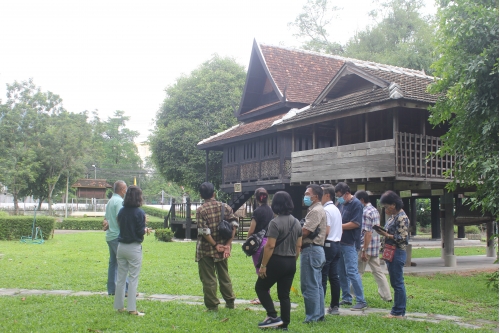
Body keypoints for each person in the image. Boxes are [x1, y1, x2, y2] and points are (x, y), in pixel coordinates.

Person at [255, 191, 302, 330]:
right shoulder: (297, 222)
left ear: (275, 204)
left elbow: (270, 246)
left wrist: (263, 266)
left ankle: (272, 315)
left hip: (276, 261)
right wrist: (293, 260)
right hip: (291, 262)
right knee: (284, 294)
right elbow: (299, 245)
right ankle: (285, 324)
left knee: (261, 287)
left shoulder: (275, 223)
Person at [195, 182, 239, 311]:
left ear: (201, 196)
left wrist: (215, 245)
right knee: (224, 275)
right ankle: (230, 302)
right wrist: (227, 244)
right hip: (223, 248)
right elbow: (234, 225)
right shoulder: (225, 207)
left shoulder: (200, 210)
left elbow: (204, 232)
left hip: (205, 249)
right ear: (214, 193)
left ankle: (212, 306)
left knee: (208, 279)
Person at [113, 185, 148, 316]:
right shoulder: (140, 213)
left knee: (121, 277)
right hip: (133, 247)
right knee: (133, 278)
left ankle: (119, 306)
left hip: (121, 246)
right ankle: (132, 308)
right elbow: (139, 231)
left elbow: (120, 226)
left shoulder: (122, 211)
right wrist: (144, 229)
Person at [374, 190, 409, 319]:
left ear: (393, 204)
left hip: (397, 252)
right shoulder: (393, 217)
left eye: (386, 206)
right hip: (390, 251)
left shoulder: (402, 217)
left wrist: (387, 235)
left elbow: (402, 238)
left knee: (398, 283)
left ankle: (398, 312)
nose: (385, 209)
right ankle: (398, 310)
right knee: (395, 282)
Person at [334, 182, 368, 311]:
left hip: (350, 243)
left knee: (352, 271)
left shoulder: (356, 204)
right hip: (340, 242)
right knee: (341, 272)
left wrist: (338, 226)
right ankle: (346, 297)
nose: (339, 199)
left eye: (340, 196)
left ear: (347, 193)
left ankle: (361, 300)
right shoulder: (341, 204)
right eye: (337, 197)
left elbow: (355, 223)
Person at [354, 190, 392, 302]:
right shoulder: (375, 210)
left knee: (358, 272)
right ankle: (387, 295)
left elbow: (367, 232)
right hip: (375, 245)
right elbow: (376, 230)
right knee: (378, 272)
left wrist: (364, 250)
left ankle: (352, 295)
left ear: (361, 200)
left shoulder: (365, 212)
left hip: (365, 246)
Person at [300, 184, 327, 323]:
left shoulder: (315, 210)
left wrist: (295, 234)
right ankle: (319, 315)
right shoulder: (318, 209)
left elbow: (305, 232)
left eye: (307, 193)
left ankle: (312, 317)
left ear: (315, 196)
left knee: (309, 285)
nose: (305, 196)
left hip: (311, 250)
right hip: (317, 250)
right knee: (316, 284)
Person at [247, 187, 274, 305]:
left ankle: (263, 296)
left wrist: (248, 241)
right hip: (269, 241)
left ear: (256, 198)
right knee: (265, 267)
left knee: (260, 269)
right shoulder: (271, 210)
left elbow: (251, 229)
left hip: (258, 243)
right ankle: (265, 293)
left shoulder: (257, 211)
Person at [320, 184, 343, 315]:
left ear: (327, 195)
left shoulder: (327, 210)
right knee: (334, 277)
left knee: (323, 276)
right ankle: (335, 306)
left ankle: (319, 306)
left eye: (321, 193)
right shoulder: (336, 208)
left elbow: (326, 231)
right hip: (337, 244)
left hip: (328, 244)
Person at [103, 180, 127, 296]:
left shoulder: (110, 201)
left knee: (113, 263)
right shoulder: (119, 201)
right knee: (122, 263)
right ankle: (126, 289)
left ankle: (112, 289)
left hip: (109, 236)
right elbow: (120, 218)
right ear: (122, 190)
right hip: (117, 236)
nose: (126, 191)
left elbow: (106, 218)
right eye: (125, 189)